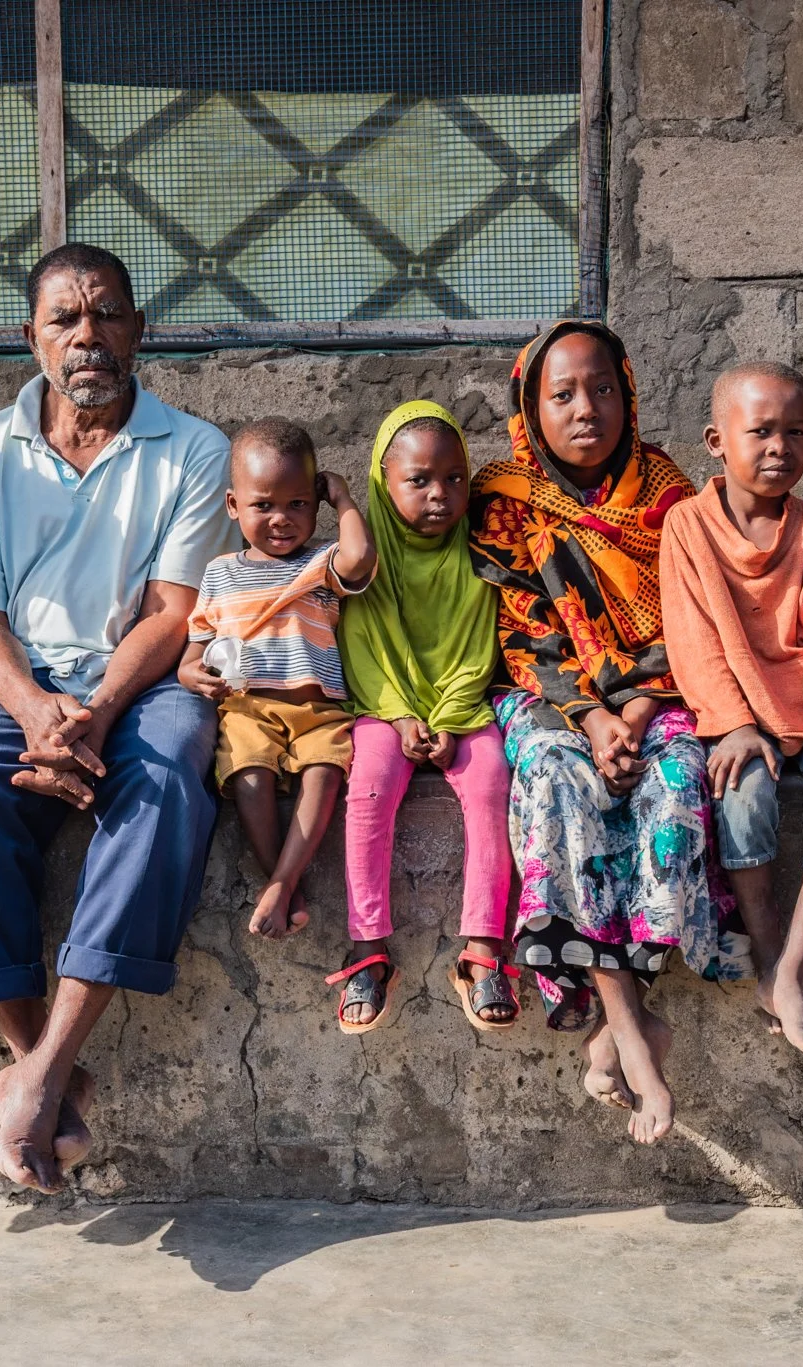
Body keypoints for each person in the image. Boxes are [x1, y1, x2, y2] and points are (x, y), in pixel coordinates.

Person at [0, 243, 234, 1193]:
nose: (88, 336)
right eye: (65, 319)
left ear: (139, 328)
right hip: (13, 677)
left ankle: (40, 1074)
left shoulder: (195, 449)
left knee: (171, 771)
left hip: (136, 678)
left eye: (107, 315)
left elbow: (173, 612)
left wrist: (90, 713)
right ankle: (43, 1063)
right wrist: (37, 710)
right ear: (32, 337)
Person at [470, 320, 746, 1147]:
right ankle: (632, 1032)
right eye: (562, 394)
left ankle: (627, 1024)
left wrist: (631, 712)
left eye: (602, 389)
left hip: (657, 696)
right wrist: (589, 716)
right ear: (531, 407)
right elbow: (521, 636)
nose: (585, 407)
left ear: (627, 392)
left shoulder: (672, 497)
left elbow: (691, 620)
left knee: (675, 778)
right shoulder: (504, 502)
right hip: (546, 698)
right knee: (555, 777)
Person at [658, 362, 803, 1055]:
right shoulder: (688, 527)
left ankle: (793, 969)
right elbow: (692, 638)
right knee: (741, 789)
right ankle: (768, 945)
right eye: (760, 431)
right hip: (736, 717)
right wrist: (734, 725)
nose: (780, 447)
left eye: (796, 432)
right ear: (716, 441)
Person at [334, 402, 514, 1033]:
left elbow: (479, 645)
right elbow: (364, 647)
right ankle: (367, 949)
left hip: (463, 707)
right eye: (419, 480)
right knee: (370, 785)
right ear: (383, 484)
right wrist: (404, 717)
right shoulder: (367, 560)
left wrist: (447, 717)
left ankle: (483, 950)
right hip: (386, 707)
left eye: (455, 478)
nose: (441, 494)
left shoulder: (479, 552)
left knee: (492, 782)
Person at [176, 420, 377, 948]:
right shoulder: (220, 573)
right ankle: (280, 883)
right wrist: (193, 675)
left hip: (318, 709)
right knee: (247, 775)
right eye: (263, 505)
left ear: (316, 503)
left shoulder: (323, 562)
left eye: (298, 504)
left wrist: (344, 497)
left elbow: (360, 558)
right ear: (232, 505)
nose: (282, 519)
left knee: (324, 775)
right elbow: (193, 652)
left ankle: (283, 884)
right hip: (249, 708)